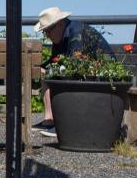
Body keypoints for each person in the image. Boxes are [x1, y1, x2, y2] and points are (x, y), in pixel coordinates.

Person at [32, 7, 113, 137]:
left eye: (47, 31)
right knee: (47, 72)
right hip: (87, 73)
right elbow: (56, 61)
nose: (47, 36)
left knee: (58, 75)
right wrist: (40, 68)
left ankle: (63, 125)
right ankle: (50, 120)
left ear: (59, 24)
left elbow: (74, 67)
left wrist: (49, 70)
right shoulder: (61, 36)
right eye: (44, 32)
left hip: (101, 75)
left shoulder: (77, 33)